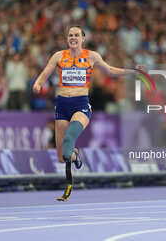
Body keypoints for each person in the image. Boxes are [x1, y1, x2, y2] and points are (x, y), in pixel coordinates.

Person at [33, 26, 143, 200]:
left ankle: (69, 182)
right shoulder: (58, 56)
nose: (73, 37)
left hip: (81, 105)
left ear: (83, 38)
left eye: (76, 35)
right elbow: (45, 73)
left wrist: (133, 72)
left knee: (70, 138)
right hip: (62, 105)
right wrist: (38, 83)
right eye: (70, 35)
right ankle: (75, 155)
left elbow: (111, 70)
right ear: (67, 38)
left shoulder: (92, 56)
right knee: (62, 156)